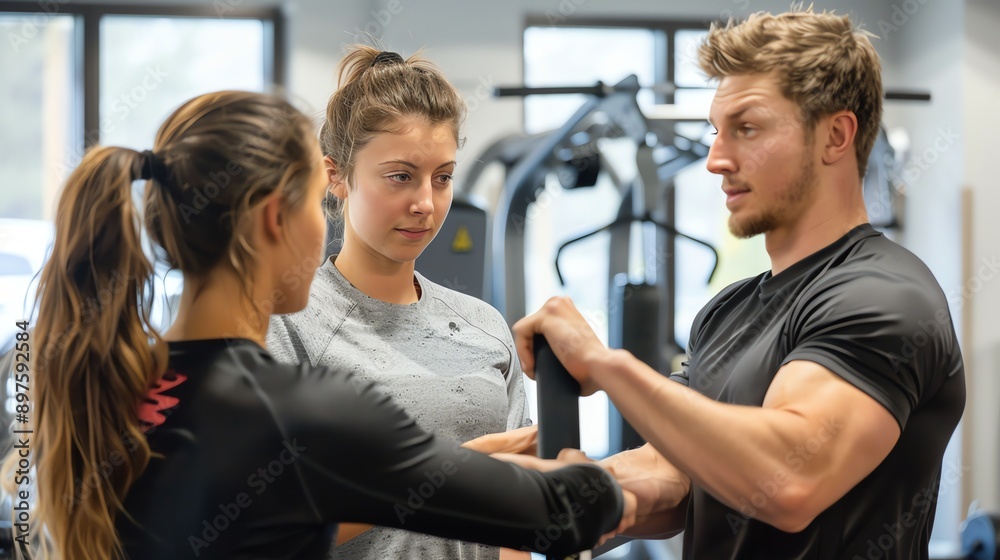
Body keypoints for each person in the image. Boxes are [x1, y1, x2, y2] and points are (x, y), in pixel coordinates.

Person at [0, 90, 635, 560]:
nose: (321, 225)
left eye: (441, 178)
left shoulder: (108, 387)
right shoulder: (301, 411)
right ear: (274, 219)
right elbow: (570, 511)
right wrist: (606, 381)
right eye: (313, 203)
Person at [506, 9, 965, 560]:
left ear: (835, 136)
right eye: (716, 132)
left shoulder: (886, 295)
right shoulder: (726, 312)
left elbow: (789, 480)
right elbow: (672, 474)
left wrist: (604, 364)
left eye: (746, 129)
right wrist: (542, 492)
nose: (716, 160)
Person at [266, 47, 534, 560]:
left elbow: (517, 519)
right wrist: (449, 474)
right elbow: (267, 530)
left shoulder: (484, 326)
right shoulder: (288, 325)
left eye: (442, 177)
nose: (425, 204)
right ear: (336, 176)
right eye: (400, 176)